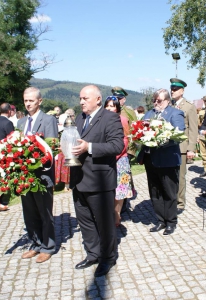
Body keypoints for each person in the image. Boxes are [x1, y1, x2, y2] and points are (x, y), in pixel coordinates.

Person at [70, 85, 124, 277]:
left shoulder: (110, 118)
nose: (81, 102)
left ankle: (107, 258)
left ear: (98, 99)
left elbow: (117, 145)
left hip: (100, 180)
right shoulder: (79, 118)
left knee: (104, 223)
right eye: (80, 98)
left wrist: (89, 147)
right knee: (85, 221)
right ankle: (93, 254)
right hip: (79, 179)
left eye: (85, 98)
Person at [17, 87, 58, 264]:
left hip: (42, 174)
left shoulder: (48, 120)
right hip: (24, 175)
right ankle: (35, 243)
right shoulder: (20, 123)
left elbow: (52, 147)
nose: (28, 104)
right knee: (29, 212)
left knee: (44, 212)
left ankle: (48, 246)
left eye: (31, 101)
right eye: (25, 100)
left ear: (39, 101)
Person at [138, 88, 185, 235]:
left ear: (167, 101)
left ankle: (171, 221)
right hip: (150, 158)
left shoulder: (174, 113)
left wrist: (159, 141)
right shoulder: (149, 113)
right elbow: (141, 128)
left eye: (159, 100)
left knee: (169, 191)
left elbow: (178, 132)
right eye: (154, 100)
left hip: (167, 159)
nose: (156, 103)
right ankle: (160, 220)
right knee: (155, 191)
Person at [170, 78, 198, 214]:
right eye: (172, 89)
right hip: (169, 147)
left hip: (181, 147)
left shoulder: (189, 107)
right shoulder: (169, 105)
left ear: (182, 91)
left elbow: (193, 129)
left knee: (180, 176)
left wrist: (191, 148)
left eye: (175, 89)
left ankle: (180, 203)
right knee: (170, 176)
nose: (172, 91)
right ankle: (171, 200)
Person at [104, 96, 133, 226]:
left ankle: (117, 215)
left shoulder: (123, 120)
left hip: (120, 159)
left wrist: (115, 154)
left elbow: (125, 139)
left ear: (117, 108)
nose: (110, 108)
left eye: (113, 106)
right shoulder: (100, 121)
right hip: (105, 159)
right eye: (108, 106)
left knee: (120, 190)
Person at [0, 103, 15, 212]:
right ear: (9, 111)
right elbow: (11, 138)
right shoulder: (8, 123)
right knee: (5, 175)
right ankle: (3, 197)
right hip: (5, 152)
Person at [56, 109, 75, 191]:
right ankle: (64, 185)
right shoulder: (61, 130)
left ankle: (67, 185)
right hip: (62, 151)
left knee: (67, 166)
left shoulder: (72, 129)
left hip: (69, 150)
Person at [197, 95, 206, 177]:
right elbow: (198, 124)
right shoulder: (201, 112)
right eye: (205, 101)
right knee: (203, 153)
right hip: (202, 135)